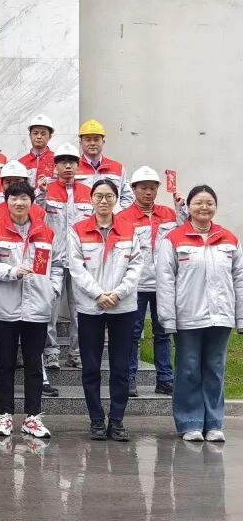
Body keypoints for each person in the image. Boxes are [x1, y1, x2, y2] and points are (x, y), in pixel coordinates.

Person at [156, 185, 243, 443]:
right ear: (188, 207)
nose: (204, 207)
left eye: (209, 203)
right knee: (188, 369)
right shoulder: (173, 238)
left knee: (215, 368)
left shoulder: (229, 238)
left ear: (215, 206)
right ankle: (190, 422)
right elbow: (165, 280)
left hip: (220, 316)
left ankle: (214, 423)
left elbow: (239, 280)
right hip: (188, 316)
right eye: (198, 203)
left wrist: (240, 316)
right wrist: (167, 318)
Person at [0, 181, 63, 439]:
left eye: (24, 198)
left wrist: (52, 291)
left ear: (31, 202)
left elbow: (57, 265)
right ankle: (4, 416)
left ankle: (32, 418)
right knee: (5, 364)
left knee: (34, 365)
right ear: (6, 202)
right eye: (14, 198)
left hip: (37, 308)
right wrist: (12, 271)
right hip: (4, 308)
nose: (19, 203)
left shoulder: (46, 232)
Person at [67, 179, 143, 441]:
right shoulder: (78, 230)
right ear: (91, 199)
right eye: (98, 196)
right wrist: (98, 294)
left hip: (123, 307)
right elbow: (76, 268)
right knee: (91, 367)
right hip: (91, 307)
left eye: (109, 196)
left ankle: (117, 421)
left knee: (120, 367)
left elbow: (136, 267)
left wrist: (118, 293)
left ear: (116, 199)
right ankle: (97, 420)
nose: (103, 201)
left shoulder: (130, 230)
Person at [118, 167, 179, 397]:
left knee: (162, 333)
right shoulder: (123, 217)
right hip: (136, 284)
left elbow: (182, 236)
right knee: (132, 333)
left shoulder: (170, 214)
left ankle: (165, 379)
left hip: (163, 283)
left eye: (152, 188)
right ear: (133, 189)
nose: (148, 192)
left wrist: (182, 209)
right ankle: (130, 379)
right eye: (143, 188)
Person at [37, 142, 91, 371]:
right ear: (55, 165)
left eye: (71, 162)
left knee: (79, 309)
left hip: (80, 259)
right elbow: (36, 215)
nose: (67, 166)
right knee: (50, 306)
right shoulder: (46, 190)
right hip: (53, 258)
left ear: (78, 165)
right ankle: (50, 352)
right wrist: (40, 193)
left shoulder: (88, 192)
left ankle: (76, 353)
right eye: (63, 162)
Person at [76, 118, 134, 209]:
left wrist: (119, 214)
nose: (92, 143)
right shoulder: (73, 168)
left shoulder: (117, 168)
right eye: (88, 140)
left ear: (103, 142)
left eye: (96, 139)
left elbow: (127, 197)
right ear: (81, 143)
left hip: (111, 217)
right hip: (82, 218)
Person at [17, 114, 55, 188]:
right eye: (35, 133)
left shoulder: (57, 161)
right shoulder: (21, 163)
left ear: (50, 137)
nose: (39, 137)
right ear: (30, 135)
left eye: (43, 134)